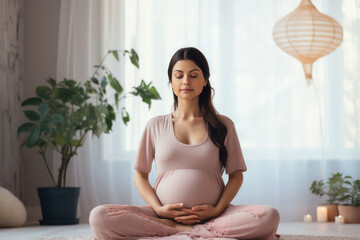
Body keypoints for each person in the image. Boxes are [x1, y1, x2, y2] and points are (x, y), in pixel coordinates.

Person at [89, 47, 280, 239]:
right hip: (160, 216)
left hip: (215, 217)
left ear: (205, 80)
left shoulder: (224, 125)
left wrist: (216, 210)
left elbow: (236, 175)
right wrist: (159, 209)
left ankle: (196, 229)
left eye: (194, 75)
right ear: (171, 82)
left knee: (269, 216)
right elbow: (141, 176)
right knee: (99, 216)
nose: (186, 81)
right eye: (179, 76)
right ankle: (175, 228)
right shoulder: (155, 125)